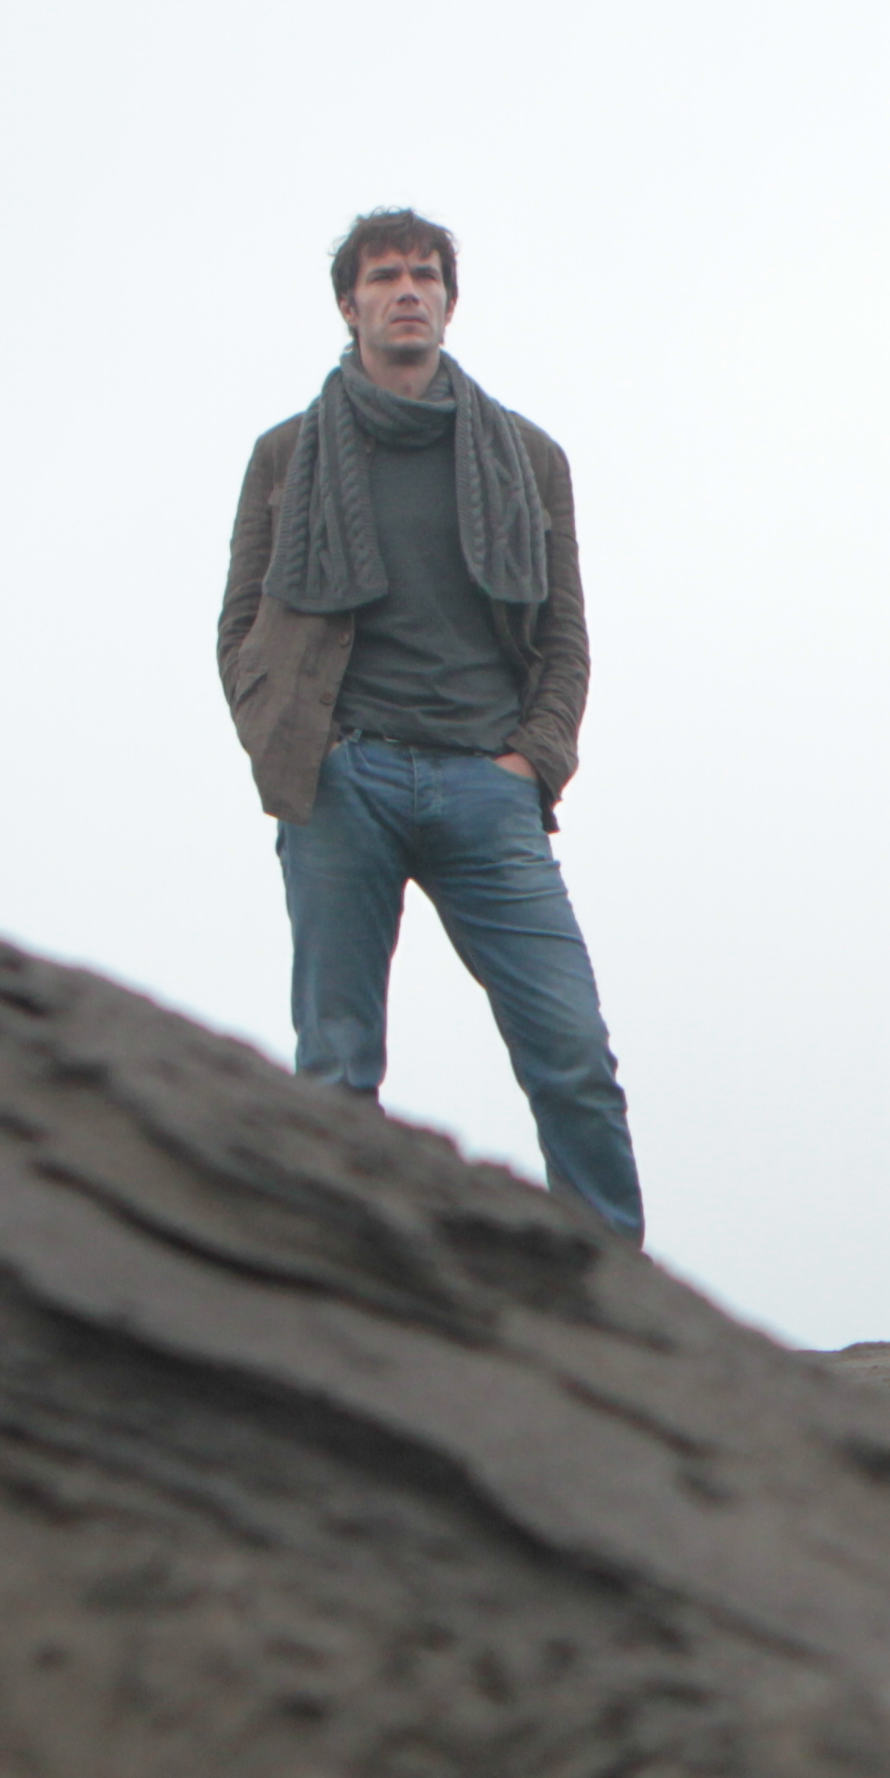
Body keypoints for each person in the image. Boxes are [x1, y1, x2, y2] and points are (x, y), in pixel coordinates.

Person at [220, 209, 641, 1242]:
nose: (406, 291)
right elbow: (241, 627)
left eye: (424, 275)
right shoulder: (285, 457)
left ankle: (617, 1311)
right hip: (342, 782)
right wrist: (295, 746)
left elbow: (565, 637)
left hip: (483, 787)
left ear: (450, 301)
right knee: (337, 1065)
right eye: (384, 276)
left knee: (572, 1052)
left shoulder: (527, 459)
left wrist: (527, 763)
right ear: (349, 304)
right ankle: (339, 1294)